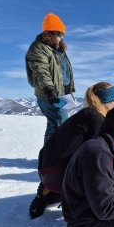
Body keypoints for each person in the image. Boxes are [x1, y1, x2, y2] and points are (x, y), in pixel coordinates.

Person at [29, 82, 114, 219]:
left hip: (47, 170)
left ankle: (45, 193)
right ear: (104, 102)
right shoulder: (96, 119)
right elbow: (101, 154)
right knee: (112, 161)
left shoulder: (86, 114)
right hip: (57, 175)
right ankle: (86, 201)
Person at [26, 12, 75, 144]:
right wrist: (49, 89)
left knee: (54, 124)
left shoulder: (58, 50)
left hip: (61, 94)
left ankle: (47, 158)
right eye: (58, 34)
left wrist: (68, 90)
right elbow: (41, 70)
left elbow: (63, 72)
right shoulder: (38, 48)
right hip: (48, 94)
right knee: (60, 124)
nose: (61, 37)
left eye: (62, 34)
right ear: (49, 33)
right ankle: (52, 158)